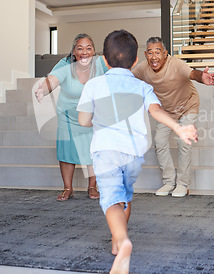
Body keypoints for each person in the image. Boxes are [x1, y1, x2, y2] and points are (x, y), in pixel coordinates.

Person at [77, 30, 198, 274]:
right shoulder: (142, 85)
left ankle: (122, 241)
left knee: (111, 198)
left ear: (104, 59)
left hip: (106, 150)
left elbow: (83, 120)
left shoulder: (93, 84)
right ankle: (117, 240)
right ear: (135, 61)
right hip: (133, 153)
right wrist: (178, 127)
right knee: (125, 197)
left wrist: (96, 120)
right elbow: (155, 111)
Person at [132, 37, 214, 197]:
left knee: (183, 142)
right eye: (150, 53)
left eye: (158, 52)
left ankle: (183, 184)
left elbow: (192, 73)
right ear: (145, 54)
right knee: (159, 141)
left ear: (165, 53)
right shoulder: (143, 69)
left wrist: (203, 77)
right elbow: (128, 78)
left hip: (187, 105)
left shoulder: (176, 64)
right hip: (166, 111)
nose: (154, 57)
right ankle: (169, 182)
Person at [35, 33, 107, 201]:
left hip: (93, 117)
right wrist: (42, 90)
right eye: (80, 48)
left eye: (88, 48)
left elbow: (116, 73)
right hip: (68, 116)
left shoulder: (100, 63)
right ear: (74, 52)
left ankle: (92, 187)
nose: (84, 52)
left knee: (94, 151)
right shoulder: (65, 64)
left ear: (94, 51)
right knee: (66, 152)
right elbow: (52, 80)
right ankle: (68, 188)